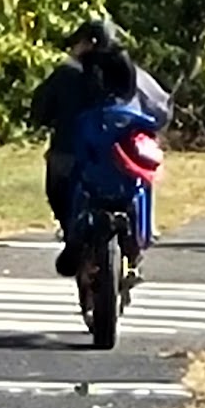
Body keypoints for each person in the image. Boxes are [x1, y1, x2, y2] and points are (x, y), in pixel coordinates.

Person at [29, 17, 168, 273]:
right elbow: (160, 111)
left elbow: (40, 112)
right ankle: (136, 243)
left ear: (86, 44)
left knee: (57, 179)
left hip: (74, 158)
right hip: (124, 161)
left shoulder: (67, 75)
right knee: (142, 177)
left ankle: (73, 236)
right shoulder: (134, 75)